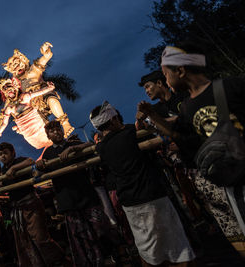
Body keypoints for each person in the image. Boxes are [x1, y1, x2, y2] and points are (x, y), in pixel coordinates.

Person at [138, 43, 245, 247]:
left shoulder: (231, 86)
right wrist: (152, 115)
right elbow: (181, 137)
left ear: (180, 70)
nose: (165, 80)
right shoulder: (188, 108)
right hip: (233, 184)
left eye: (165, 74)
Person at [91, 101, 196, 267]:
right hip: (152, 195)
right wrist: (140, 121)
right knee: (176, 244)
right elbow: (155, 133)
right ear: (112, 121)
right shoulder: (130, 133)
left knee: (147, 249)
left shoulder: (101, 148)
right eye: (117, 118)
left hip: (130, 202)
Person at [36, 120, 115, 266]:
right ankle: (93, 262)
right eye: (52, 131)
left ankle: (112, 256)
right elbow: (38, 171)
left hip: (86, 195)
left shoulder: (73, 144)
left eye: (58, 129)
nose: (57, 132)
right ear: (48, 136)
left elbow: (91, 146)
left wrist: (75, 149)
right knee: (81, 236)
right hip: (67, 200)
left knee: (100, 229)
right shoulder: (48, 153)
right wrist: (40, 165)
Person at [0, 142, 68, 266]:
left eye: (5, 153)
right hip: (17, 210)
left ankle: (60, 261)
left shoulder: (18, 161)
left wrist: (14, 168)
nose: (3, 156)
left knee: (40, 238)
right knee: (24, 241)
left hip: (31, 204)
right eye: (0, 154)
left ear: (13, 153)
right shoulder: (3, 170)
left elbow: (30, 161)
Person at [2, 42, 74, 138]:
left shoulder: (33, 70)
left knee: (51, 100)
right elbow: (11, 99)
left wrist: (45, 51)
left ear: (23, 61)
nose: (17, 67)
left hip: (42, 93)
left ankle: (65, 123)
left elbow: (47, 56)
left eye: (17, 63)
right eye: (13, 67)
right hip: (31, 105)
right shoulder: (15, 84)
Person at [0, 79, 55, 149]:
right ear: (5, 94)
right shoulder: (9, 108)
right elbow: (4, 123)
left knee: (49, 140)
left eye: (9, 86)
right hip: (26, 130)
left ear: (15, 88)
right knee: (39, 144)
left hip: (36, 124)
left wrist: (49, 88)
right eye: (5, 89)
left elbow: (39, 92)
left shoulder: (24, 96)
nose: (7, 89)